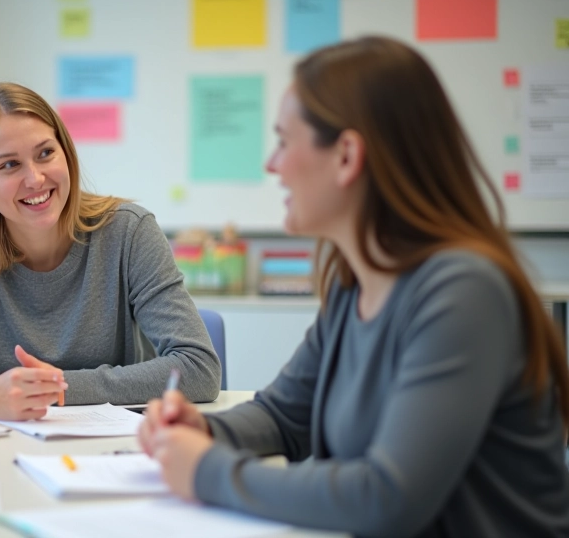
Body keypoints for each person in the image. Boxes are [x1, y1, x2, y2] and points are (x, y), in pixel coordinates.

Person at [138, 36, 569, 537]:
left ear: (346, 156)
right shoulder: (354, 283)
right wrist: (206, 429)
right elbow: (283, 416)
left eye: (283, 141)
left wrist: (207, 471)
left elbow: (388, 496)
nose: (271, 165)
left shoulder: (464, 292)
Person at [0, 82, 221, 420]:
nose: (36, 179)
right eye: (9, 165)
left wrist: (58, 388)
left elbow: (198, 368)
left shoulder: (129, 232)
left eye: (45, 153)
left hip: (114, 448)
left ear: (65, 152)